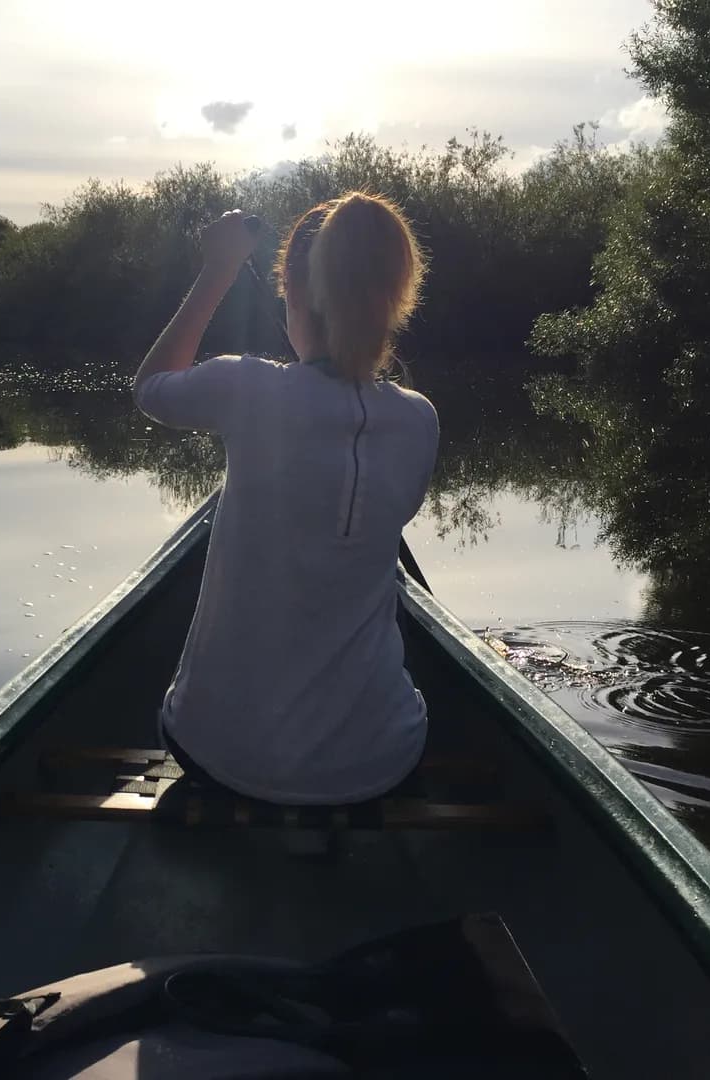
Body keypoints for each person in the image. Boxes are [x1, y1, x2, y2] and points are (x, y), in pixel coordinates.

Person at [132, 193, 439, 805]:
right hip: (381, 761)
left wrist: (217, 269)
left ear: (294, 295)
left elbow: (151, 387)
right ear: (396, 300)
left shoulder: (245, 385)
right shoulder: (420, 420)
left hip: (218, 753)